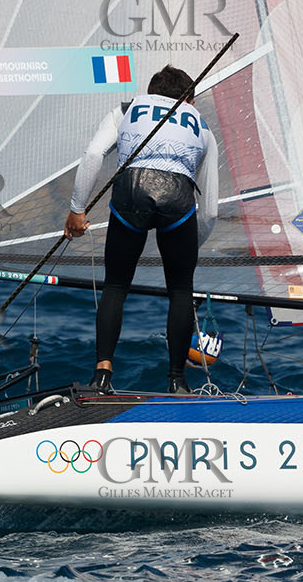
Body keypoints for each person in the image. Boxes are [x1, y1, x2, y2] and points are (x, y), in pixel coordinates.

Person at [65, 65, 219, 395]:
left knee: (116, 286)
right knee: (180, 291)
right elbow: (210, 211)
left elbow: (93, 153)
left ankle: (102, 375)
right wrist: (192, 243)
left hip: (131, 192)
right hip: (178, 199)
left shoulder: (125, 109)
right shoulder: (202, 126)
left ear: (150, 92)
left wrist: (77, 211)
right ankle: (178, 382)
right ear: (189, 99)